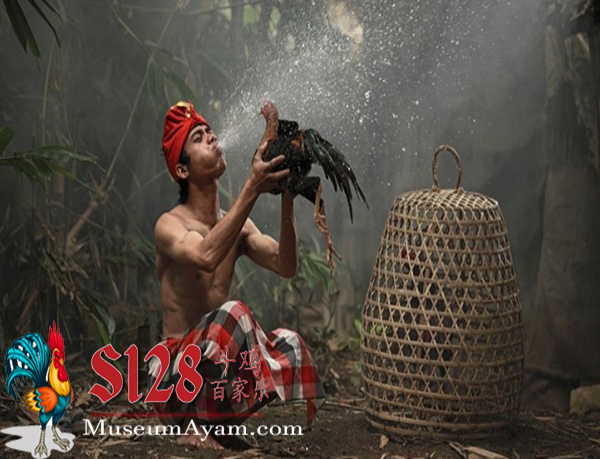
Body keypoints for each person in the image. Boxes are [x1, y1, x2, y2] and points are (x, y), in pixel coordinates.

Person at [148, 101, 326, 449]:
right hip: (171, 378)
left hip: (213, 377)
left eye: (211, 132)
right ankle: (194, 425)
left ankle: (218, 422)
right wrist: (252, 186)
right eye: (199, 138)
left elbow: (285, 265)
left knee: (290, 345)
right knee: (233, 315)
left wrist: (286, 194)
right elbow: (205, 255)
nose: (213, 138)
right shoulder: (169, 225)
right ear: (182, 171)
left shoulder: (238, 226)